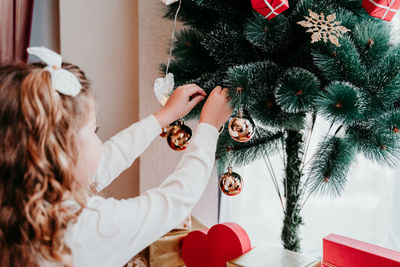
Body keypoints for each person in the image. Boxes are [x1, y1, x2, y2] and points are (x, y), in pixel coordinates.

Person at [0, 47, 232, 266]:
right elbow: (174, 200)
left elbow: (106, 161)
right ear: (62, 151)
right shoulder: (87, 227)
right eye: (94, 130)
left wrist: (162, 117)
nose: (99, 142)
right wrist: (209, 127)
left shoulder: (20, 202)